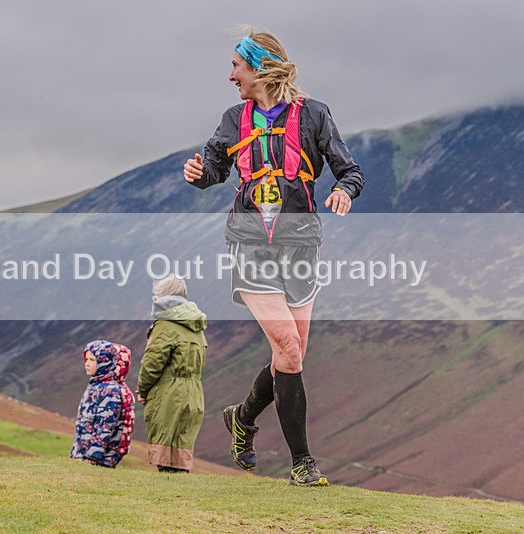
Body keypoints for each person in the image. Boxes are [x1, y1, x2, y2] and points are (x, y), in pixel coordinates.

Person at [183, 28, 364, 486]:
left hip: (301, 242)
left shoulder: (314, 115)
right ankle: (303, 463)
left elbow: (350, 170)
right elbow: (216, 168)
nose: (230, 76)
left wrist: (344, 190)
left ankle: (242, 418)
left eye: (237, 67)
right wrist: (199, 174)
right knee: (286, 347)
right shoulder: (233, 118)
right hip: (249, 241)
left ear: (260, 68)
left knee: (293, 354)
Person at [137, 276, 207, 474]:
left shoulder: (165, 326)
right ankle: (179, 497)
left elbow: (152, 364)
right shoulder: (197, 327)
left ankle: (169, 498)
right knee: (180, 452)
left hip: (169, 394)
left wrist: (143, 389)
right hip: (194, 394)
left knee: (166, 456)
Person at [70, 340, 135, 468]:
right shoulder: (96, 385)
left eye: (92, 360)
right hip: (84, 454)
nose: (87, 364)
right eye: (86, 359)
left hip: (100, 459)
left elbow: (105, 425)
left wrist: (93, 454)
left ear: (104, 362)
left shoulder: (110, 391)